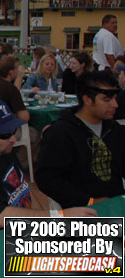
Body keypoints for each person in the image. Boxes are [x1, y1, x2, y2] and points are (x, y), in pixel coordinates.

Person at [0, 98, 96, 240]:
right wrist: (60, 217)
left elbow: (22, 190)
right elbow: (1, 218)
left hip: (15, 232)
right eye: (5, 133)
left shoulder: (1, 148)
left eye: (13, 130)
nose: (13, 138)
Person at [37, 71, 125, 208]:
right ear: (88, 100)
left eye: (115, 98)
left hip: (115, 204)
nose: (115, 105)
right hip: (79, 211)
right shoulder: (61, 133)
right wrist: (88, 201)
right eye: (107, 100)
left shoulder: (114, 130)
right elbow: (47, 179)